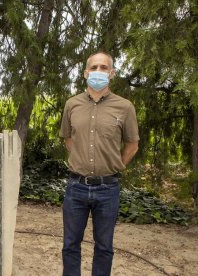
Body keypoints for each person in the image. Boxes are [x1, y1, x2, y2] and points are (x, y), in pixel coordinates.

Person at [59, 51, 139, 276]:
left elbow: (132, 145)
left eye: (104, 68)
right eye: (94, 67)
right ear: (85, 73)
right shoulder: (72, 104)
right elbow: (68, 138)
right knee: (70, 245)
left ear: (112, 73)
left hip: (108, 189)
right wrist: (81, 158)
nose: (98, 72)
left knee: (104, 247)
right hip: (76, 188)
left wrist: (114, 166)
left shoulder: (125, 107)